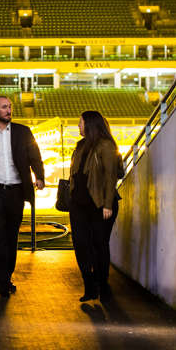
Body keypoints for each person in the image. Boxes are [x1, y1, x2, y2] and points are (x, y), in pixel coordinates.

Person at [0, 96, 45, 298]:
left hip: (16, 191)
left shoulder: (23, 132)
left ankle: (7, 276)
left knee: (12, 237)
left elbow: (35, 156)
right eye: (4, 107)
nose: (8, 110)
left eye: (10, 107)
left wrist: (39, 176)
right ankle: (1, 279)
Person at [68, 110, 122, 302]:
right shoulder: (80, 145)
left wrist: (107, 204)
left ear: (89, 125)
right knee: (81, 245)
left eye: (80, 122)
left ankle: (102, 284)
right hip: (79, 205)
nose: (78, 126)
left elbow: (110, 177)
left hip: (100, 204)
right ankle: (89, 285)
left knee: (99, 245)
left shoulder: (106, 145)